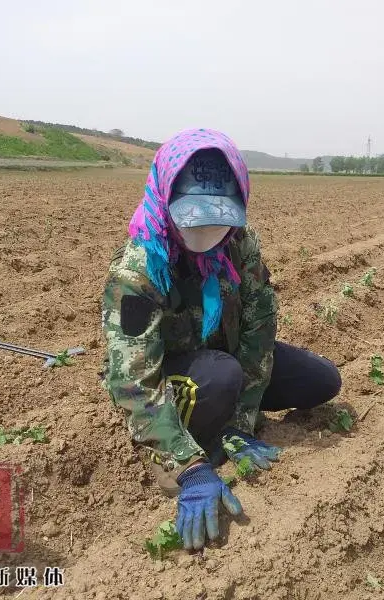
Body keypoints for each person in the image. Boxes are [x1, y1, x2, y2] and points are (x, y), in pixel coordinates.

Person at [101, 128, 341, 550]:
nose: (206, 234)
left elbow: (258, 331)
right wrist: (188, 468)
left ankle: (226, 422)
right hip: (174, 376)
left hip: (225, 357)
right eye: (193, 218)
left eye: (218, 218)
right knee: (220, 374)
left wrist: (242, 422)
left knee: (321, 380)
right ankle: (192, 448)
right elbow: (133, 382)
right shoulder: (138, 270)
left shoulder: (240, 244)